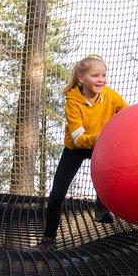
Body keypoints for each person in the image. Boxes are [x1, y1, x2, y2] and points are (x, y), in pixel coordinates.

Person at [33, 54, 128, 251]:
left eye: (103, 75)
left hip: (100, 146)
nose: (101, 80)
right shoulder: (73, 101)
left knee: (115, 169)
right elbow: (78, 138)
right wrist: (100, 137)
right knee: (57, 193)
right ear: (82, 79)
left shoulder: (111, 96)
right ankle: (48, 239)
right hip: (75, 148)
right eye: (95, 76)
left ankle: (102, 204)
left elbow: (128, 115)